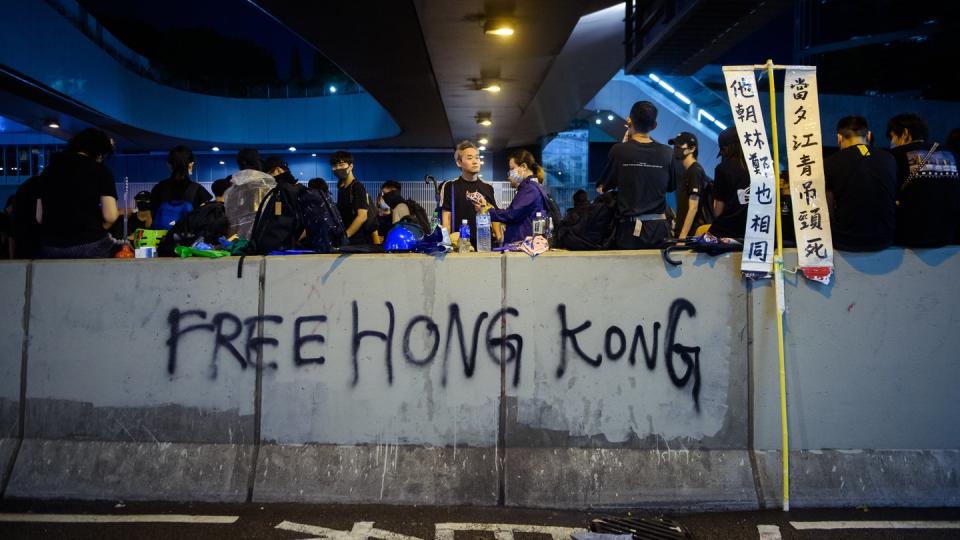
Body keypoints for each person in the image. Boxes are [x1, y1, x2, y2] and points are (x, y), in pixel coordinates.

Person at [596, 101, 676, 249]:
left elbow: (602, 188)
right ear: (654, 126)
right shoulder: (668, 153)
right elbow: (670, 187)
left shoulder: (619, 151)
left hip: (629, 230)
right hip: (659, 230)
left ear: (629, 121)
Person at [35, 128, 119, 258]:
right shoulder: (100, 170)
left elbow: (39, 217)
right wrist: (99, 228)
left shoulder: (48, 171)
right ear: (99, 152)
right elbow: (111, 216)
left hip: (50, 247)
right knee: (124, 249)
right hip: (89, 245)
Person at [823, 116, 897, 252]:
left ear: (839, 138)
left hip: (846, 240)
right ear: (868, 135)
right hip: (885, 238)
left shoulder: (830, 162)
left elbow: (828, 205)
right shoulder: (889, 158)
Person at [887, 113, 960, 247]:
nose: (892, 142)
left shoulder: (895, 156)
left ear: (905, 133)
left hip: (911, 236)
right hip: (948, 236)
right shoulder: (952, 154)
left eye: (892, 137)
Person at [473, 149, 547, 245]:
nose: (509, 174)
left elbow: (512, 214)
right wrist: (487, 208)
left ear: (523, 167)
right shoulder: (530, 187)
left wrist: (487, 211)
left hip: (523, 245)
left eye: (512, 168)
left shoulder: (530, 189)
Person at [440, 140, 501, 248]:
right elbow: (446, 219)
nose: (475, 161)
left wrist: (499, 237)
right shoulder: (450, 186)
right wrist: (446, 243)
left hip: (485, 245)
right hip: (460, 246)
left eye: (477, 157)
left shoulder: (488, 187)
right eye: (469, 158)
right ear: (459, 162)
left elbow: (494, 215)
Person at [150, 145, 213, 228]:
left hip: (162, 238)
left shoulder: (158, 189)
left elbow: (154, 216)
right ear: (191, 164)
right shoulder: (198, 190)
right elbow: (203, 221)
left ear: (169, 165)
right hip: (188, 239)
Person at [224, 148, 277, 239]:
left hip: (235, 241)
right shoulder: (266, 184)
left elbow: (230, 218)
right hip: (261, 239)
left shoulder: (231, 190)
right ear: (257, 161)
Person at [708, 127, 750, 239]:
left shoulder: (722, 169)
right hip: (756, 231)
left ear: (726, 148)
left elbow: (718, 211)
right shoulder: (761, 167)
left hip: (729, 232)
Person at [669, 131, 706, 240]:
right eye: (675, 146)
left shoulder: (695, 171)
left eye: (679, 146)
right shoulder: (688, 171)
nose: (676, 148)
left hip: (688, 236)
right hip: (682, 232)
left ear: (692, 149)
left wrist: (682, 237)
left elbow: (693, 207)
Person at [331, 150, 374, 244]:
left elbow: (362, 216)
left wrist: (345, 236)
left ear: (350, 166)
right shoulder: (341, 188)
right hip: (348, 241)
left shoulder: (357, 186)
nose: (337, 168)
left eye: (341, 165)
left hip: (358, 241)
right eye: (334, 166)